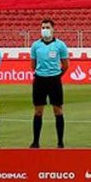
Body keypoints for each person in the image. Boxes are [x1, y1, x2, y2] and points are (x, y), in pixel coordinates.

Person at [29, 18, 69, 148]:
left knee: (58, 110)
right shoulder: (36, 45)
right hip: (39, 80)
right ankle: (35, 142)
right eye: (43, 27)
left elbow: (65, 64)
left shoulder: (60, 45)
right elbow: (33, 65)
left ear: (53, 29)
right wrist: (41, 73)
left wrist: (57, 75)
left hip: (54, 80)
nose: (45, 30)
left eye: (47, 27)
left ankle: (60, 142)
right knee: (38, 111)